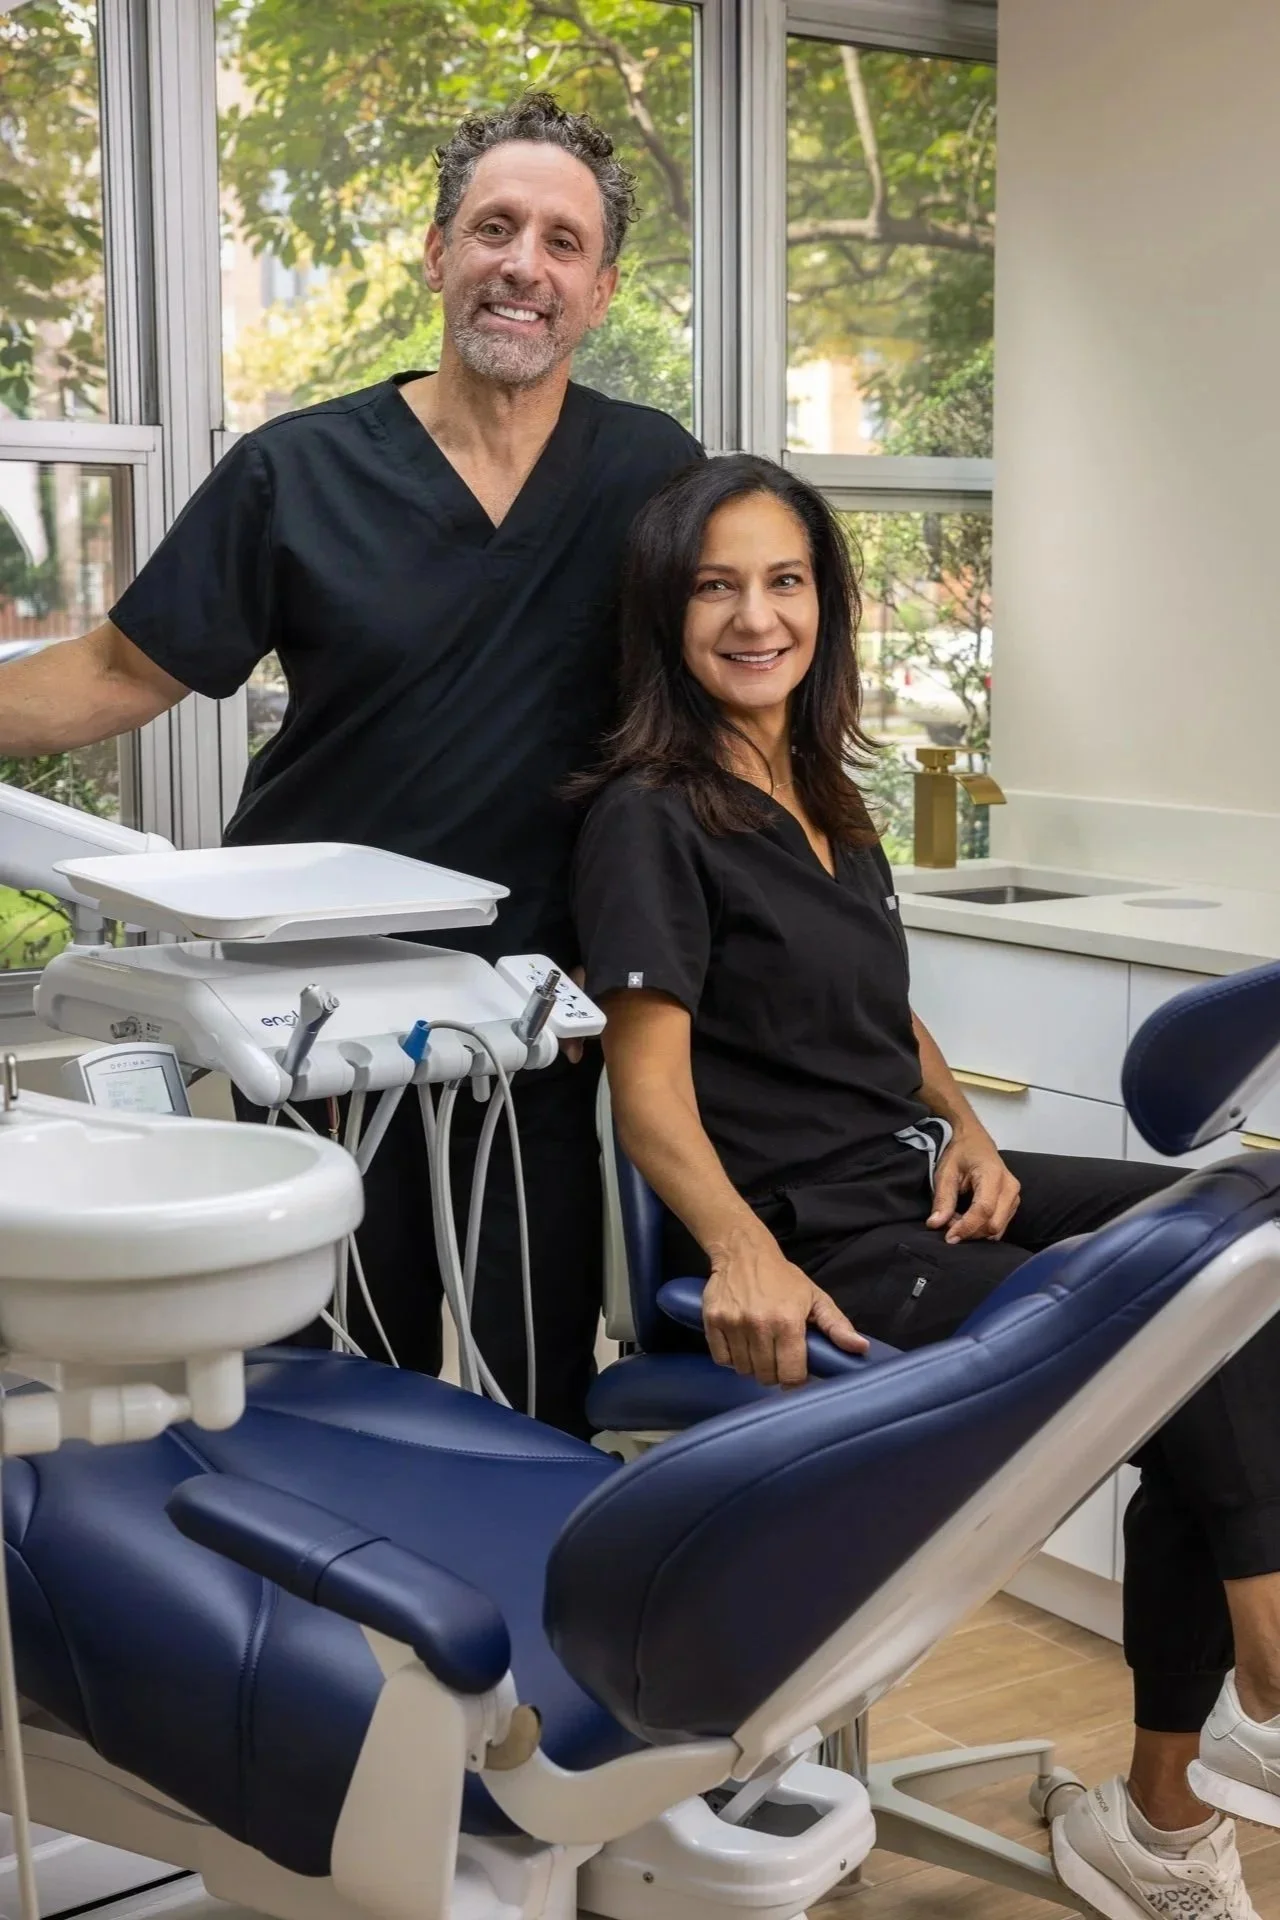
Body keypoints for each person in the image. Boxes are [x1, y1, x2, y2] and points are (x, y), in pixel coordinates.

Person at [571, 451, 1280, 1920]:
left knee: (1245, 1245)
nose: (755, 617)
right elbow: (645, 1090)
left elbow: (884, 1011)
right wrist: (743, 1251)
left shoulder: (828, 791)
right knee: (1190, 1325)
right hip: (831, 1237)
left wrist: (964, 1122)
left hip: (924, 1186)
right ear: (667, 610)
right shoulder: (651, 812)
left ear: (824, 602)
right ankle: (1264, 1697)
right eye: (717, 587)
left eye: (784, 582)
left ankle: (1164, 1813)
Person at [0, 93, 702, 1437]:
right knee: (315, 1395)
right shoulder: (295, 472)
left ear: (599, 289)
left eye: (562, 242)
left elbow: (737, 688)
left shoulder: (650, 477)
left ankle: (517, 1646)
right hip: (311, 1030)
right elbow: (112, 676)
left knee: (529, 1403)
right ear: (438, 253)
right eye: (495, 227)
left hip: (528, 1027)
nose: (523, 264)